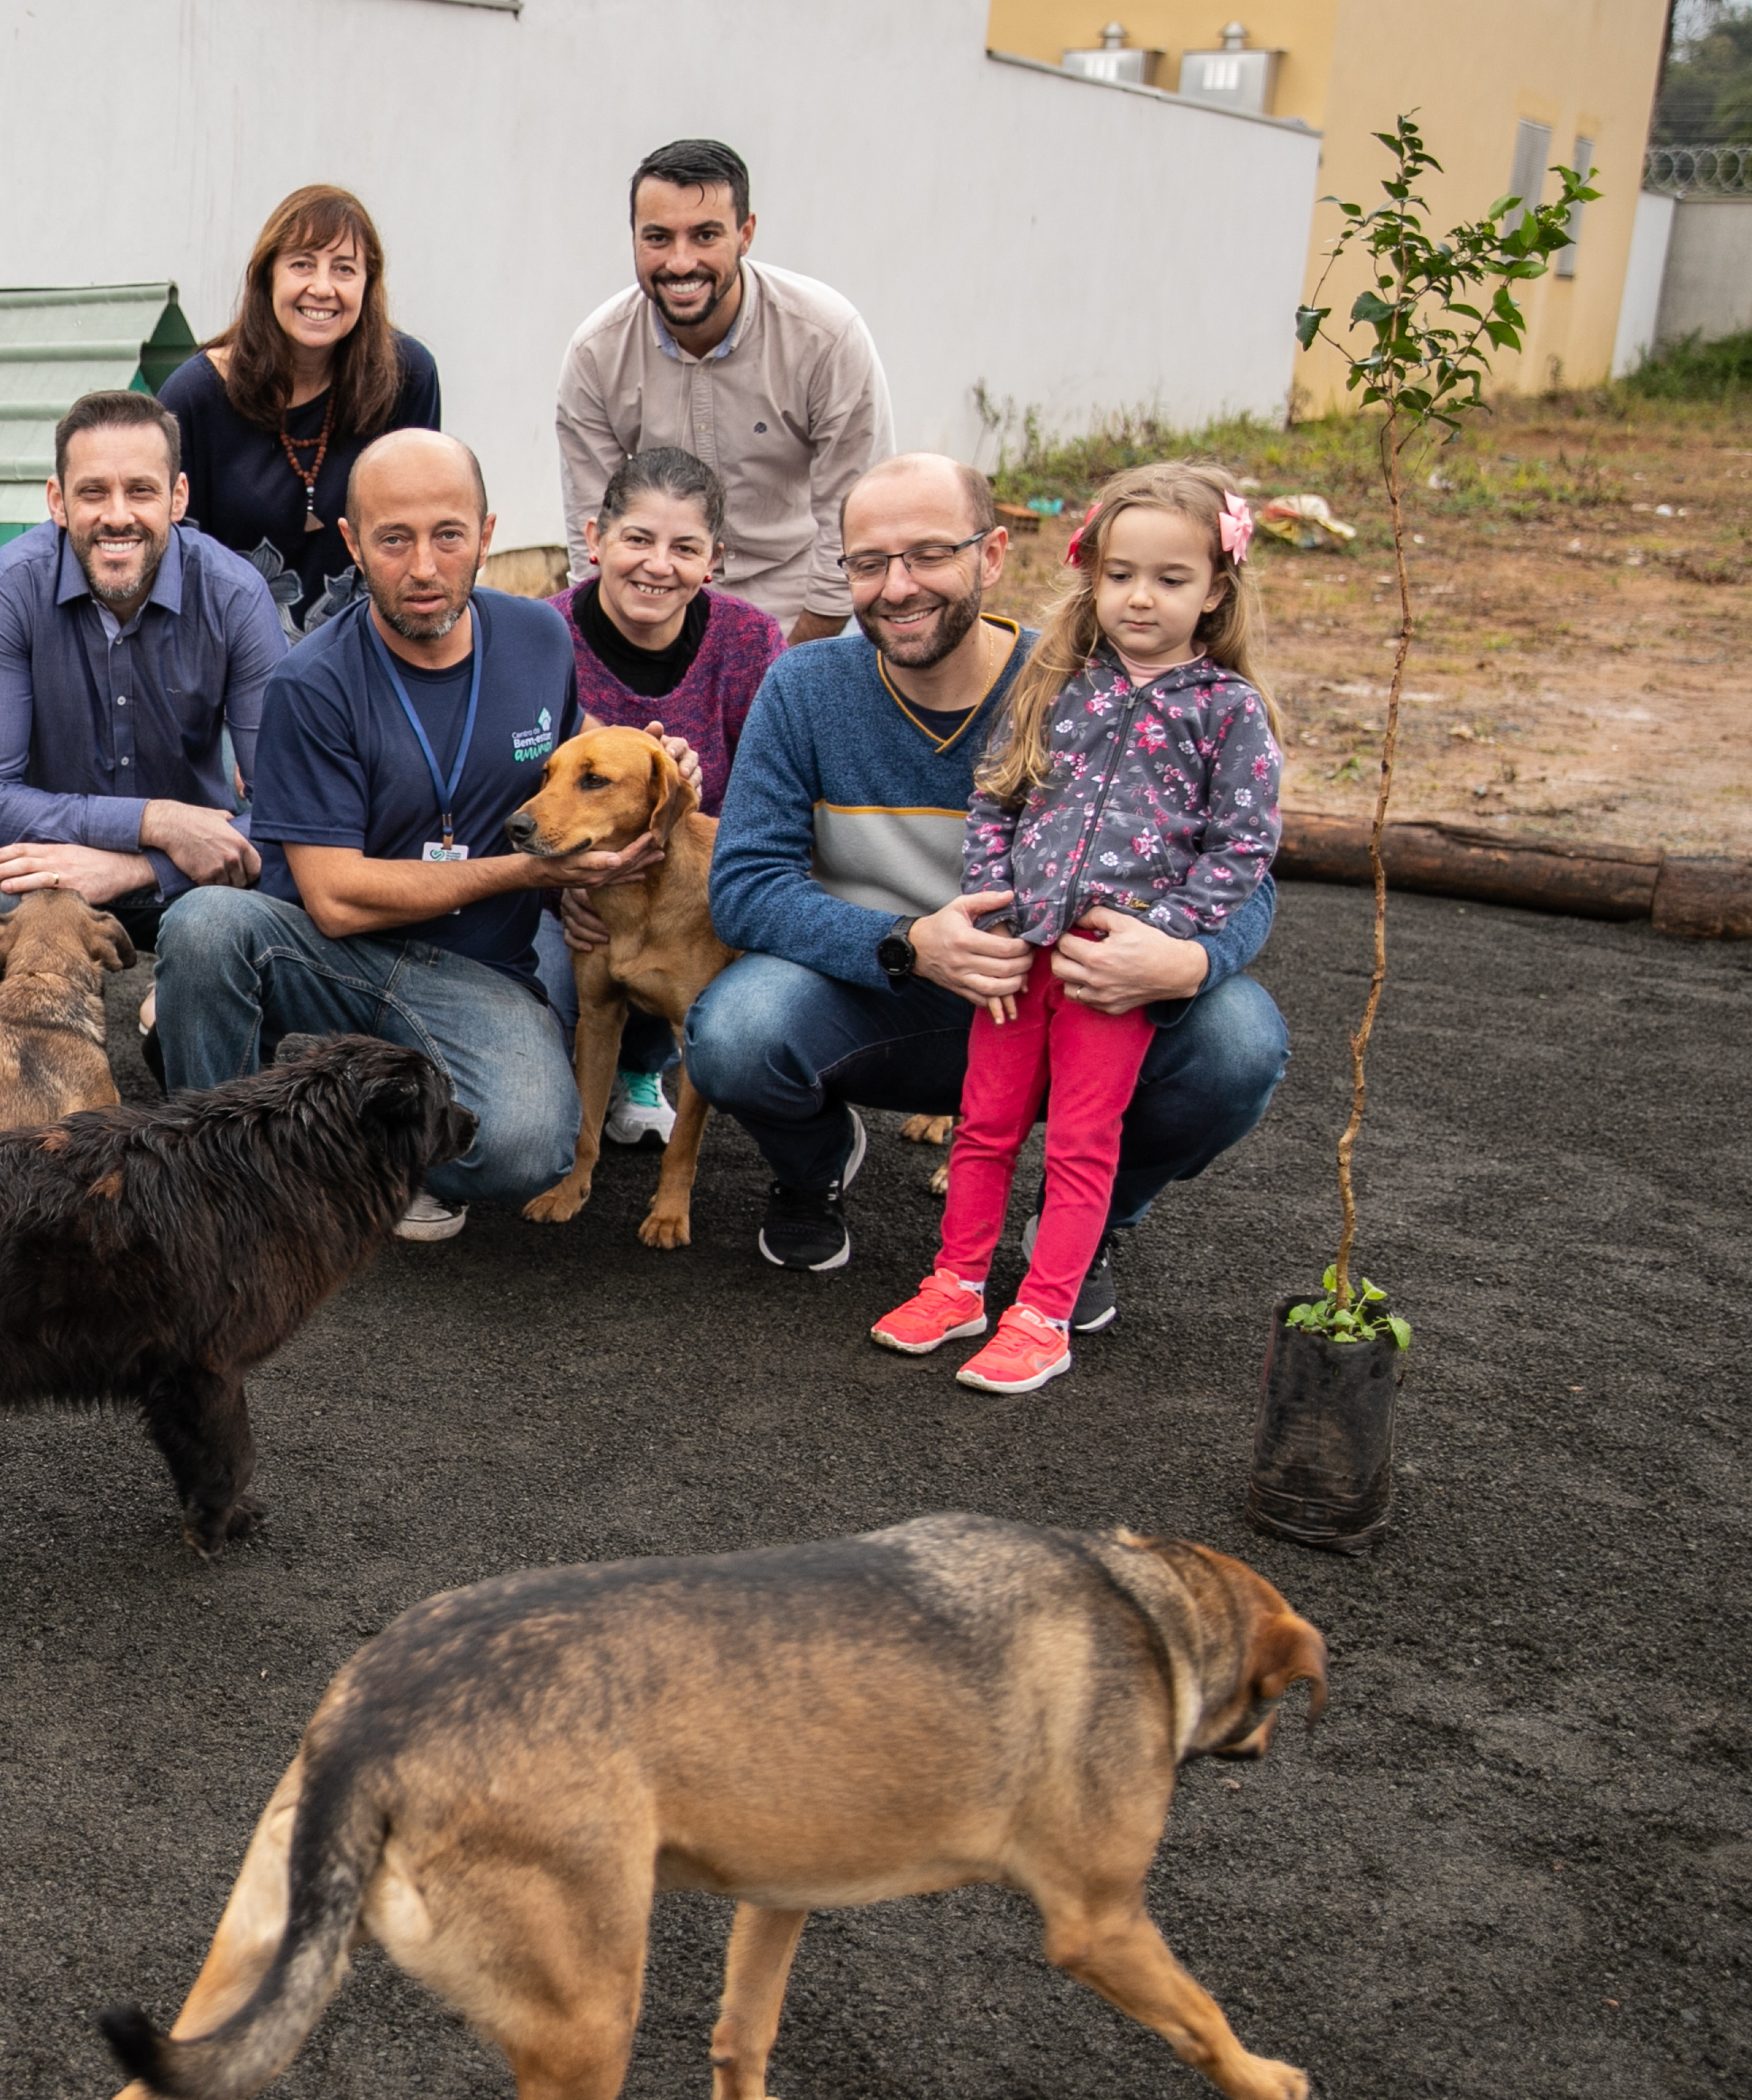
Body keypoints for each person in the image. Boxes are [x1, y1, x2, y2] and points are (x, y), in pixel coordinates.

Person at [690, 454, 1290, 1319]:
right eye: (868, 563)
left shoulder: (1093, 686)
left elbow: (1249, 874)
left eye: (928, 554)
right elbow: (743, 886)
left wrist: (1185, 962)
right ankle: (813, 1168)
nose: (897, 587)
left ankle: (1082, 1225)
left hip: (1074, 996)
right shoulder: (806, 687)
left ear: (994, 554)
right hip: (889, 1000)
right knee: (738, 1030)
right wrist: (903, 945)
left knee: (1238, 1041)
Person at [153, 429, 635, 1245]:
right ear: (351, 544)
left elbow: (566, 752)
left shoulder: (539, 639)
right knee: (202, 926)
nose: (421, 568)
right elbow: (335, 901)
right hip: (331, 954)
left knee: (530, 1147)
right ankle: (215, 1182)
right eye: (392, 539)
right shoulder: (309, 682)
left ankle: (326, 1128)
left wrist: (649, 758)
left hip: (482, 964)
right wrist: (521, 872)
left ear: (486, 534)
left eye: (448, 535)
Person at [867, 464, 1282, 1394]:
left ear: (1215, 589)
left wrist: (1164, 935)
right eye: (1120, 573)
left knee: (1079, 1140)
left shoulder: (1226, 712)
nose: (1140, 597)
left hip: (1110, 969)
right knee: (983, 1123)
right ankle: (957, 1281)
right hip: (1020, 951)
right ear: (1091, 576)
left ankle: (1044, 1311)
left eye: (1169, 579)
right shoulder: (1059, 683)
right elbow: (996, 796)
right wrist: (988, 904)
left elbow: (1243, 844)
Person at [0, 389, 284, 1006]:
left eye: (141, 491)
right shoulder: (10, 587)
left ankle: (181, 1044)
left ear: (177, 498)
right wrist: (153, 819)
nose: (116, 515)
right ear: (58, 501)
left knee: (260, 904)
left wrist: (142, 864)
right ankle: (16, 1067)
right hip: (57, 870)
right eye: (93, 492)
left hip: (191, 876)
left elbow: (288, 811)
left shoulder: (236, 595)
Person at [555, 138, 891, 647]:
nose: (681, 262)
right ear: (633, 238)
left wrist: (792, 664)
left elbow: (857, 523)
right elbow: (594, 541)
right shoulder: (596, 354)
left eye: (705, 235)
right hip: (661, 610)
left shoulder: (825, 337)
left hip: (801, 603)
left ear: (746, 233)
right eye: (658, 238)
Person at [546, 445, 786, 1142]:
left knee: (720, 1002)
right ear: (594, 540)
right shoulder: (540, 634)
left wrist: (689, 801)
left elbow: (770, 797)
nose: (657, 565)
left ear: (713, 558)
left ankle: (648, 1066)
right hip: (573, 902)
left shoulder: (747, 641)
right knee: (555, 1006)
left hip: (689, 900)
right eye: (637, 539)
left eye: (684, 546)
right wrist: (556, 883)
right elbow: (513, 786)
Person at [156, 184, 445, 633]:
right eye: (302, 264)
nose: (322, 287)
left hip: (369, 650)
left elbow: (420, 531)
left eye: (344, 269)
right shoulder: (194, 398)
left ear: (368, 284)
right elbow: (172, 561)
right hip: (232, 653)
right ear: (268, 275)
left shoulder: (408, 378)